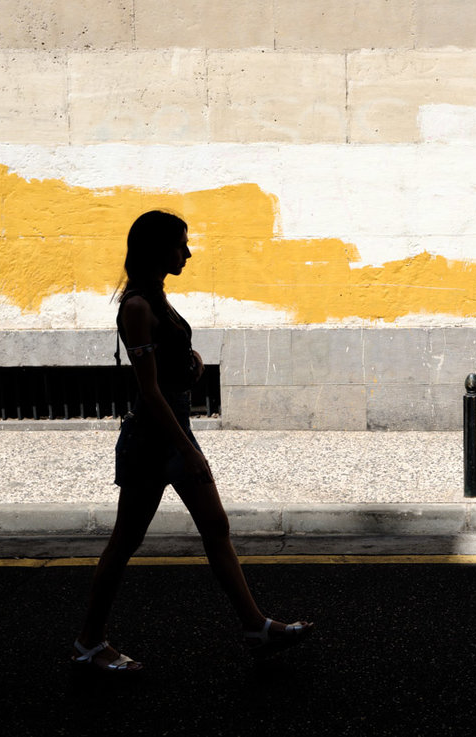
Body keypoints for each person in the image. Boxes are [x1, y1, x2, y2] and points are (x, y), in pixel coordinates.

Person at [72, 210, 312, 672]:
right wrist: (186, 450)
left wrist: (190, 361)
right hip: (153, 442)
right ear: (158, 248)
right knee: (124, 542)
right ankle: (88, 641)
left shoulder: (158, 301)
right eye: (181, 243)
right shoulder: (137, 306)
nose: (188, 251)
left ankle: (254, 626)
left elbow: (164, 363)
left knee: (216, 527)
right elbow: (148, 391)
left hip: (176, 434)